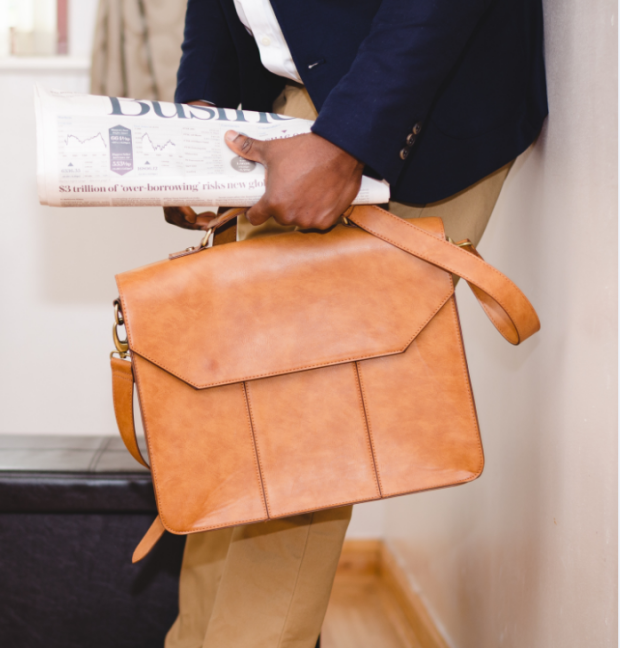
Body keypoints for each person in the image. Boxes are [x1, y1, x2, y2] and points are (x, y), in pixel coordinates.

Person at [160, 1, 548, 647]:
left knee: (299, 435)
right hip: (289, 106)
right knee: (232, 422)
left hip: (407, 104)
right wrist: (201, 110)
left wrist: (348, 140)